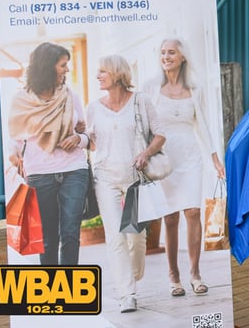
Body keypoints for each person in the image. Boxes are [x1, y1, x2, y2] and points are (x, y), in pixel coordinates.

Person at [145, 37, 226, 298]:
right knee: (170, 217)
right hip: (164, 157)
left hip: (190, 155)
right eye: (163, 52)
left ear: (182, 57)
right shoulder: (151, 87)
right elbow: (144, 125)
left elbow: (202, 123)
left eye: (171, 52)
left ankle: (195, 273)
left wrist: (214, 157)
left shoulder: (196, 87)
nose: (166, 56)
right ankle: (173, 276)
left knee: (193, 212)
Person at [86, 54, 167, 313]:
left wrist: (145, 153)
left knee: (137, 236)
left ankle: (131, 276)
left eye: (102, 71)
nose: (98, 76)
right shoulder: (93, 108)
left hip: (136, 179)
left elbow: (160, 134)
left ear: (117, 74)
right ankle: (127, 293)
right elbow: (91, 142)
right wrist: (79, 135)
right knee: (115, 236)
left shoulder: (141, 101)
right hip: (105, 178)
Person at [7, 42, 90, 266]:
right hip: (40, 173)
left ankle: (70, 286)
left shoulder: (70, 96)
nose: (68, 69)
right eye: (63, 65)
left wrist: (78, 139)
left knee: (71, 233)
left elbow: (85, 134)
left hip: (74, 170)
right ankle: (53, 290)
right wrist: (16, 160)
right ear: (47, 66)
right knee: (47, 238)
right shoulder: (21, 100)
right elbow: (13, 144)